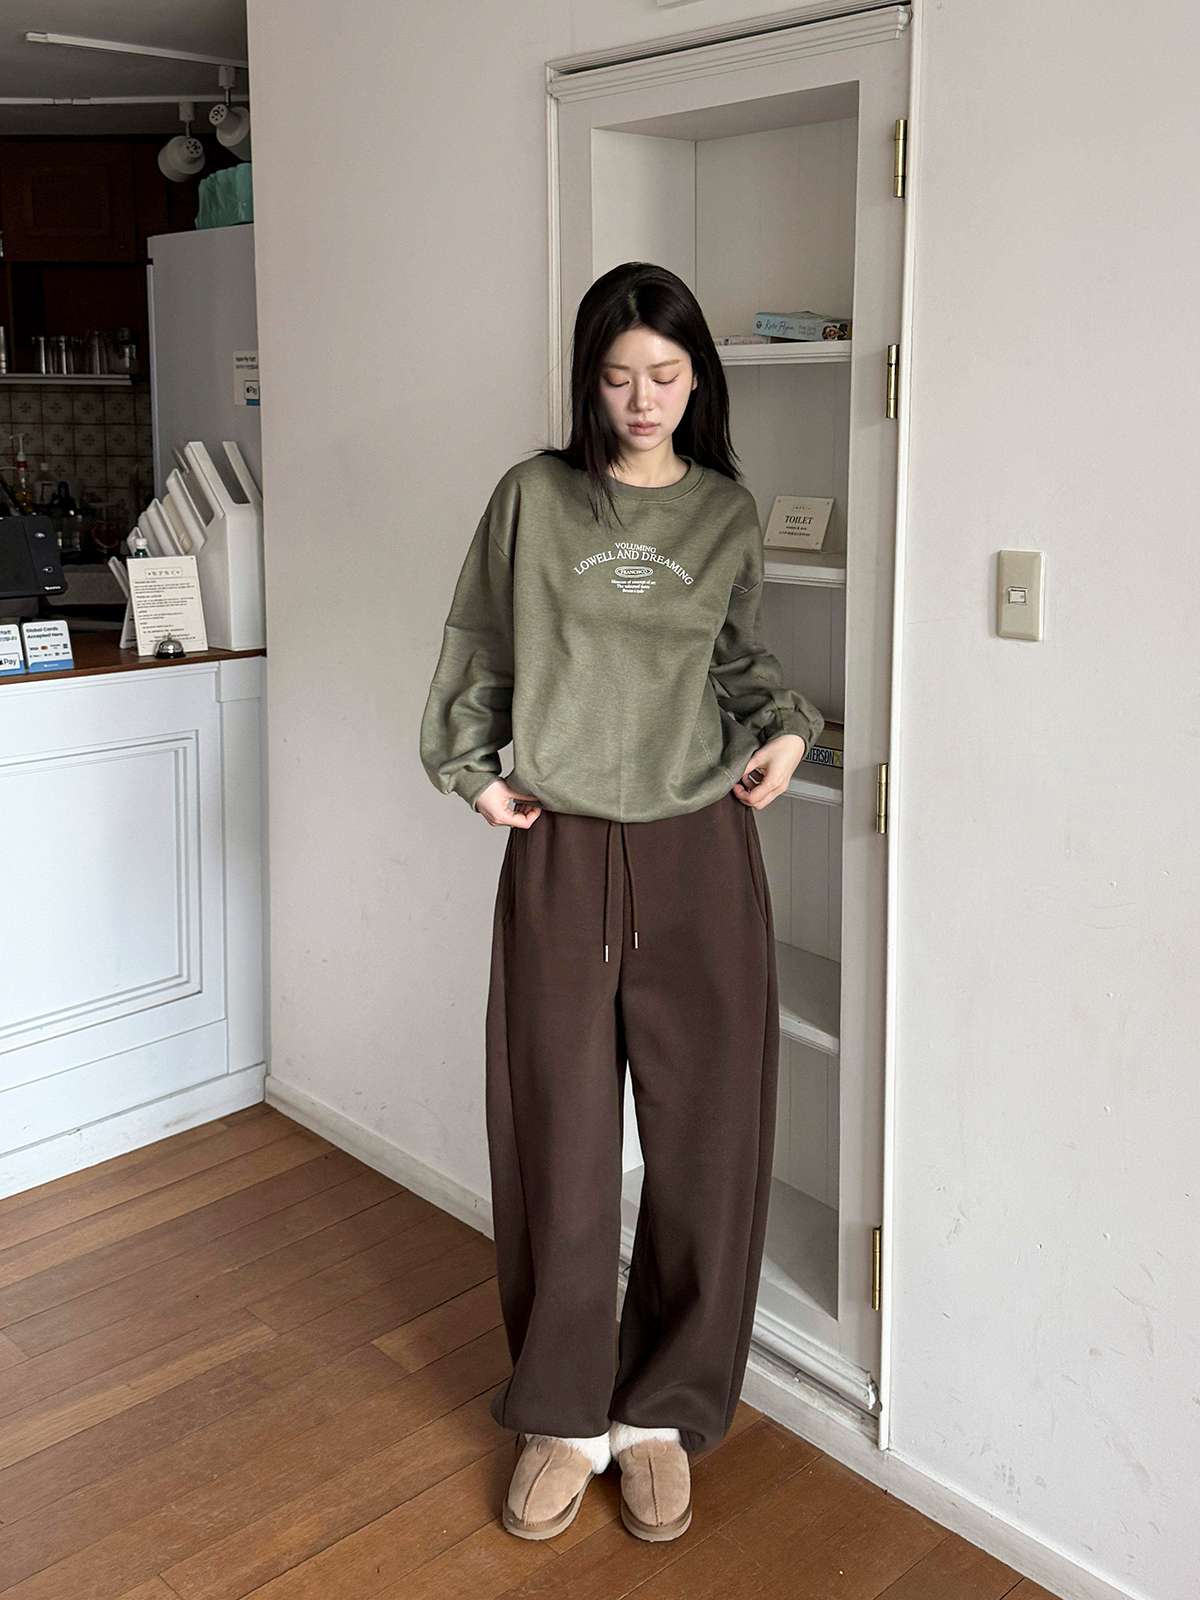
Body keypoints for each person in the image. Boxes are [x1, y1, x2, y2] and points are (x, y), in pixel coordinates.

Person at [419, 261, 825, 1543]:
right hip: (563, 844)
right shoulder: (533, 500)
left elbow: (739, 660)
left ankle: (662, 1411)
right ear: (587, 383)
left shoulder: (725, 512)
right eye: (616, 377)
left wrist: (789, 729)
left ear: (698, 379)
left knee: (708, 1139)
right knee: (560, 1135)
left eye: (664, 374)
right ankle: (561, 1412)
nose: (641, 399)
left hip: (701, 845)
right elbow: (480, 640)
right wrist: (469, 767)